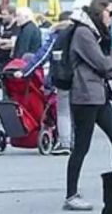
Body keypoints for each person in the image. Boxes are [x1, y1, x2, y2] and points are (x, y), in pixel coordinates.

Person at [64, 0, 112, 211]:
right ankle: (71, 195)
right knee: (81, 146)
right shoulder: (83, 33)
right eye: (111, 13)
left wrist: (111, 61)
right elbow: (105, 64)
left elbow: (108, 63)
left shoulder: (98, 33)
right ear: (100, 11)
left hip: (98, 95)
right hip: (85, 97)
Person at [15, 10, 74, 155]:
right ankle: (77, 142)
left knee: (63, 112)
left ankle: (65, 142)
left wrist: (24, 71)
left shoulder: (57, 36)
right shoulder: (81, 34)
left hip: (62, 79)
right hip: (83, 80)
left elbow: (41, 56)